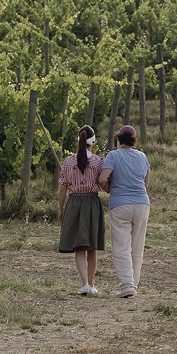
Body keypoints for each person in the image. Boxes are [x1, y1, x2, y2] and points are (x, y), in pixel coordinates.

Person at [97, 125, 150, 298]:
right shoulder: (143, 157)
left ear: (118, 139)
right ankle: (133, 284)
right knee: (137, 246)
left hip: (120, 204)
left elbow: (102, 179)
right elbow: (145, 184)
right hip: (142, 204)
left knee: (121, 246)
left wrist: (108, 189)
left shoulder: (113, 155)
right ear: (133, 140)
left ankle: (127, 284)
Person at [57, 125, 105, 296]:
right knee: (92, 246)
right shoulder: (99, 161)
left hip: (74, 203)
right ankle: (91, 285)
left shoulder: (68, 161)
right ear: (93, 142)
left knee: (79, 246)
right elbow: (104, 184)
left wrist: (61, 209)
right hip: (93, 203)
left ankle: (84, 284)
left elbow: (62, 188)